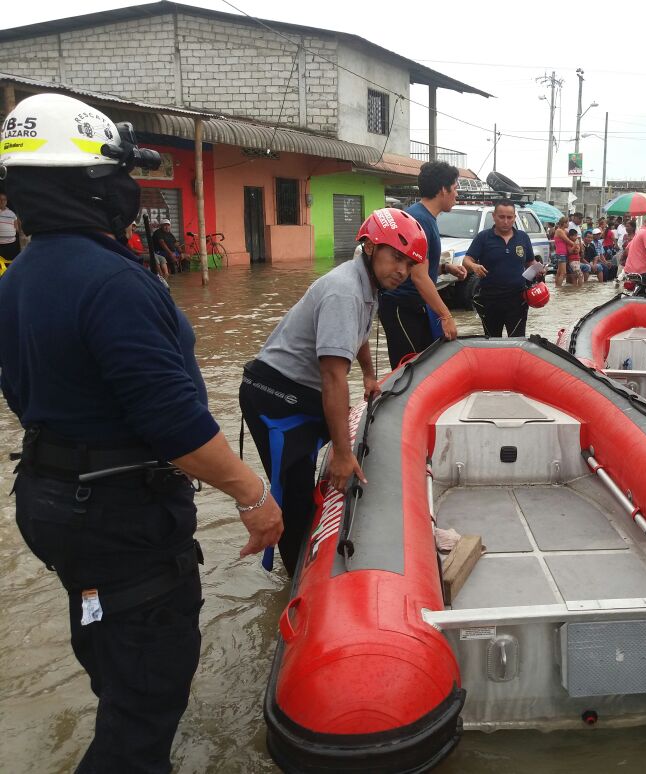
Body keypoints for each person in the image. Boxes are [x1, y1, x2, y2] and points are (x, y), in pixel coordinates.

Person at [0, 93, 283, 773]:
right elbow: (176, 425)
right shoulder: (112, 283)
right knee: (145, 703)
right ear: (98, 184)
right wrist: (254, 496)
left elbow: (23, 391)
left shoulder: (20, 278)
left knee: (112, 650)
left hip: (51, 497)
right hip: (120, 514)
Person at [240, 208, 426, 575]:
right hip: (276, 396)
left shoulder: (365, 285)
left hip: (298, 392)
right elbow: (332, 378)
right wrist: (341, 453)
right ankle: (296, 579)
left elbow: (354, 337)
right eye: (397, 257)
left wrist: (370, 375)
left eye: (410, 263)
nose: (402, 270)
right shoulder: (345, 291)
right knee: (292, 498)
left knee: (307, 482)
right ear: (371, 248)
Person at [378, 161, 468, 369]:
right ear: (443, 190)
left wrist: (445, 268)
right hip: (402, 307)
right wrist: (446, 316)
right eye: (455, 189)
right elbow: (419, 276)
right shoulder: (419, 220)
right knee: (408, 371)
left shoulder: (426, 218)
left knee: (426, 366)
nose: (456, 195)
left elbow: (415, 267)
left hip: (417, 307)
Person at [463, 199, 536, 336]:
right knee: (492, 342)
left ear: (515, 218)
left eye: (509, 217)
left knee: (518, 341)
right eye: (501, 217)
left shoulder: (523, 237)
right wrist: (474, 266)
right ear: (494, 216)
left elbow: (530, 263)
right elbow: (466, 260)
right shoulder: (483, 237)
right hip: (489, 300)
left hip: (518, 299)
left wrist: (538, 270)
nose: (506, 221)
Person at [0, 191, 22, 265]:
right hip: (0, 245)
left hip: (11, 245)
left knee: (10, 265)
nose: (2, 201)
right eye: (0, 199)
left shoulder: (12, 213)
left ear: (6, 201)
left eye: (4, 200)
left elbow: (17, 229)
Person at [553, 215, 574, 286]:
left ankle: (557, 288)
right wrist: (576, 245)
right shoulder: (559, 231)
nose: (568, 224)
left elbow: (572, 236)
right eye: (567, 222)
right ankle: (559, 289)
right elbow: (567, 240)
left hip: (563, 253)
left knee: (559, 272)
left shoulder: (565, 231)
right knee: (563, 273)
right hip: (561, 253)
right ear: (564, 223)